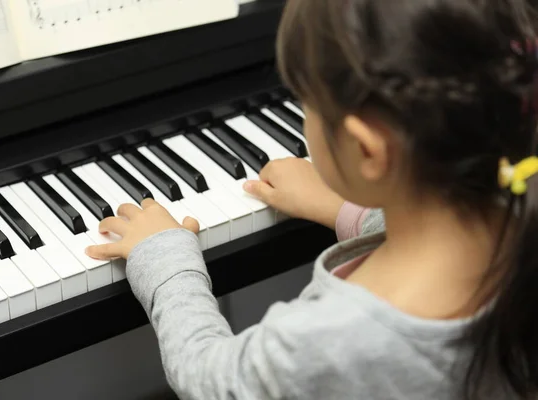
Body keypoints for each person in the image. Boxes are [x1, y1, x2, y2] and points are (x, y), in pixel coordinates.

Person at [84, 0, 538, 398]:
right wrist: (345, 209)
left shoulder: (323, 341)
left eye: (305, 104)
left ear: (366, 150)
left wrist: (165, 260)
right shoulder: (520, 219)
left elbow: (210, 379)